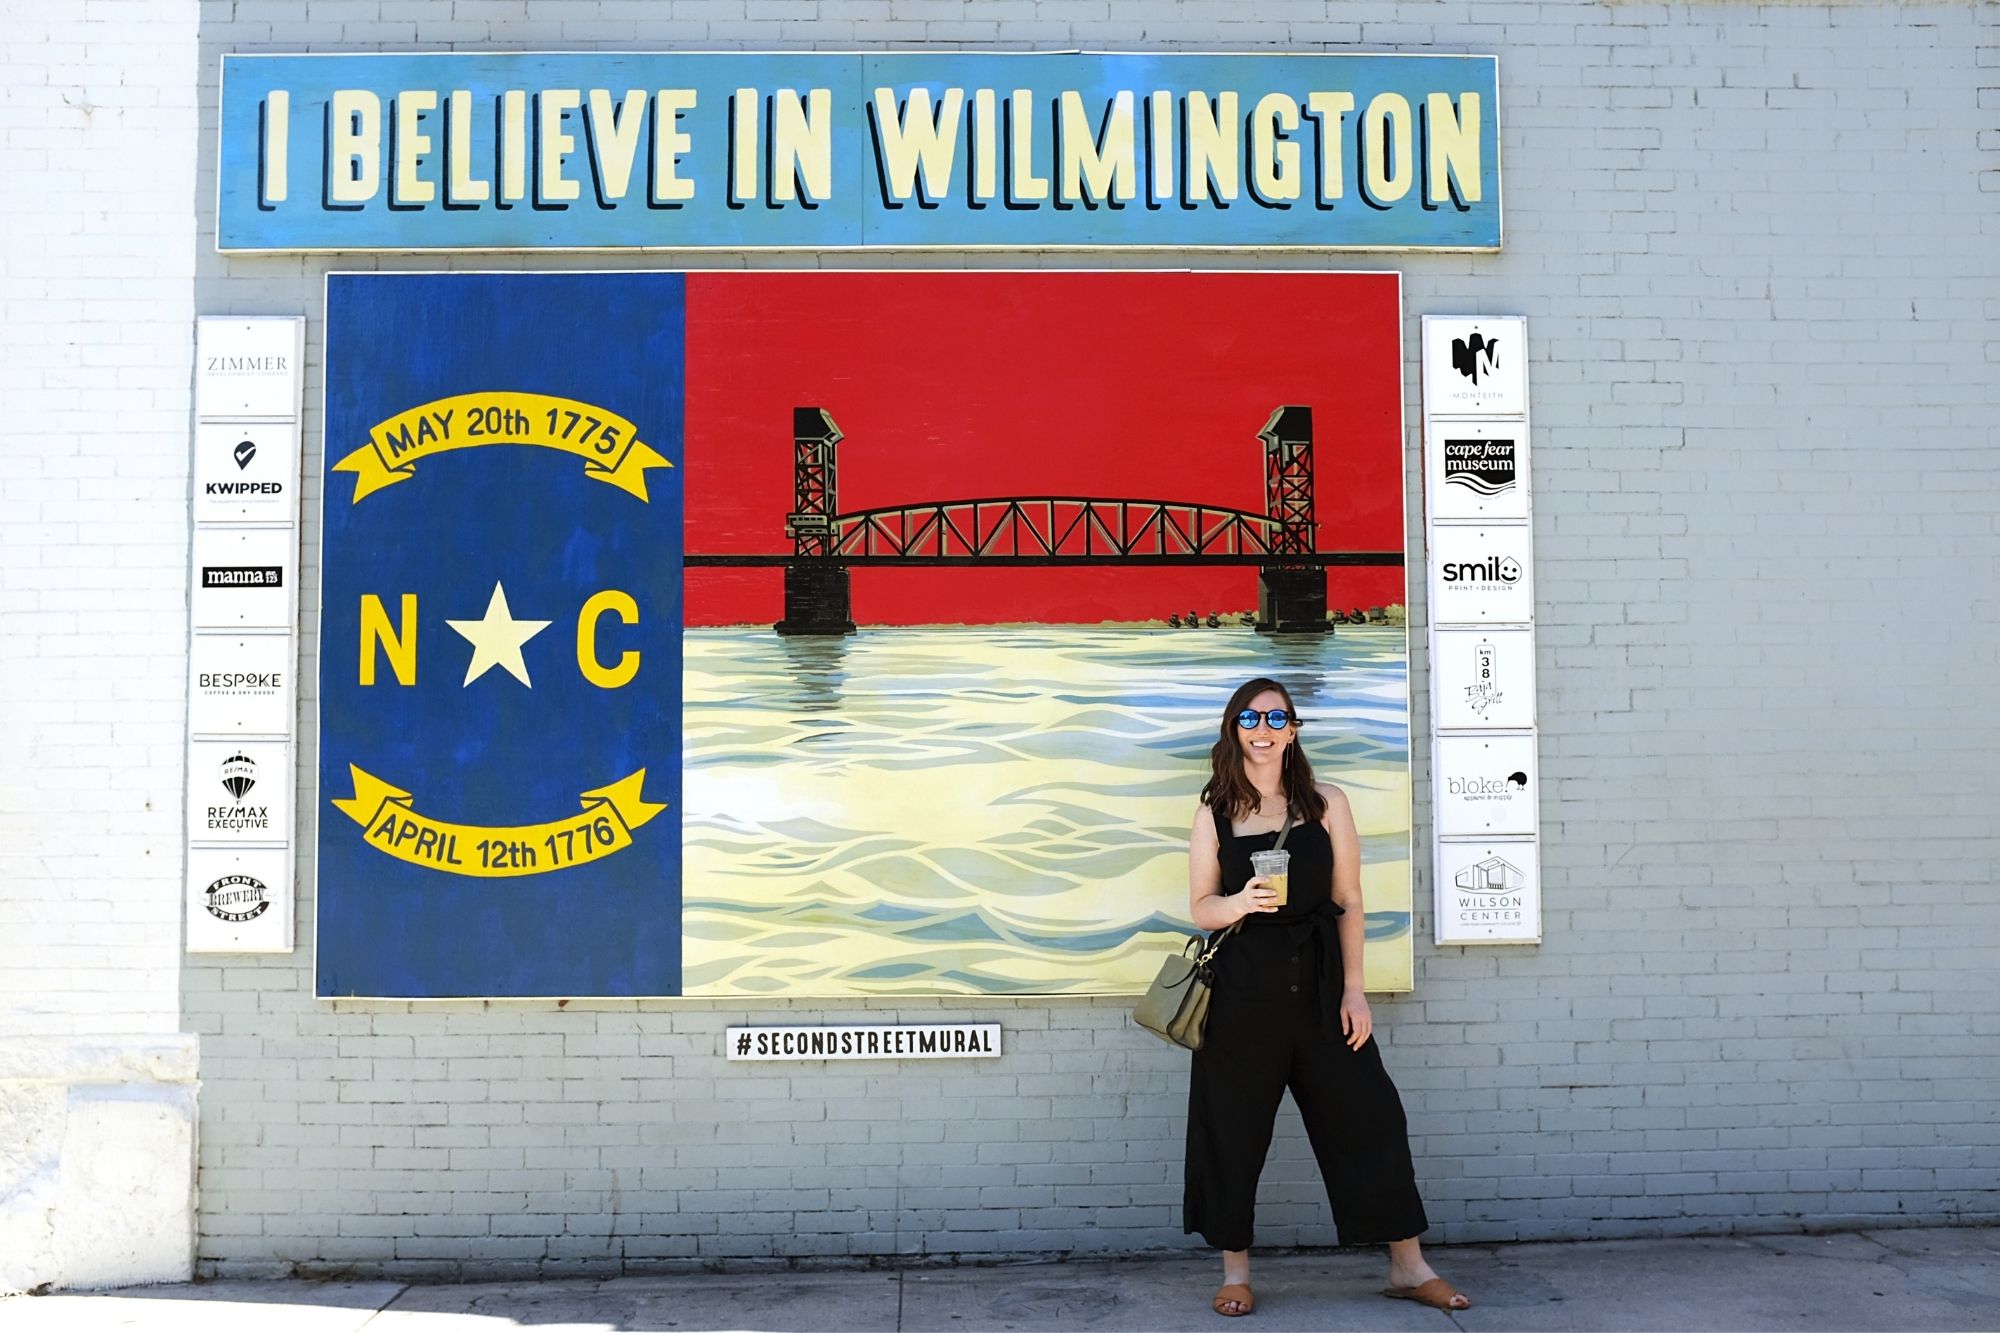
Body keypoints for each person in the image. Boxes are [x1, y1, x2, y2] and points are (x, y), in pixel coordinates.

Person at [1183, 676, 1468, 1317]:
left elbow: (1350, 900)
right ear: (1234, 729)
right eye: (1250, 719)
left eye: (1276, 718)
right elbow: (1200, 906)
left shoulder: (1326, 802)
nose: (1263, 730)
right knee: (1232, 1130)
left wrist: (1355, 991)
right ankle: (1235, 1271)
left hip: (1319, 986)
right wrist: (1236, 903)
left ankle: (1407, 1265)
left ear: (1293, 730)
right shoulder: (1214, 811)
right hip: (1242, 994)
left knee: (1370, 1119)